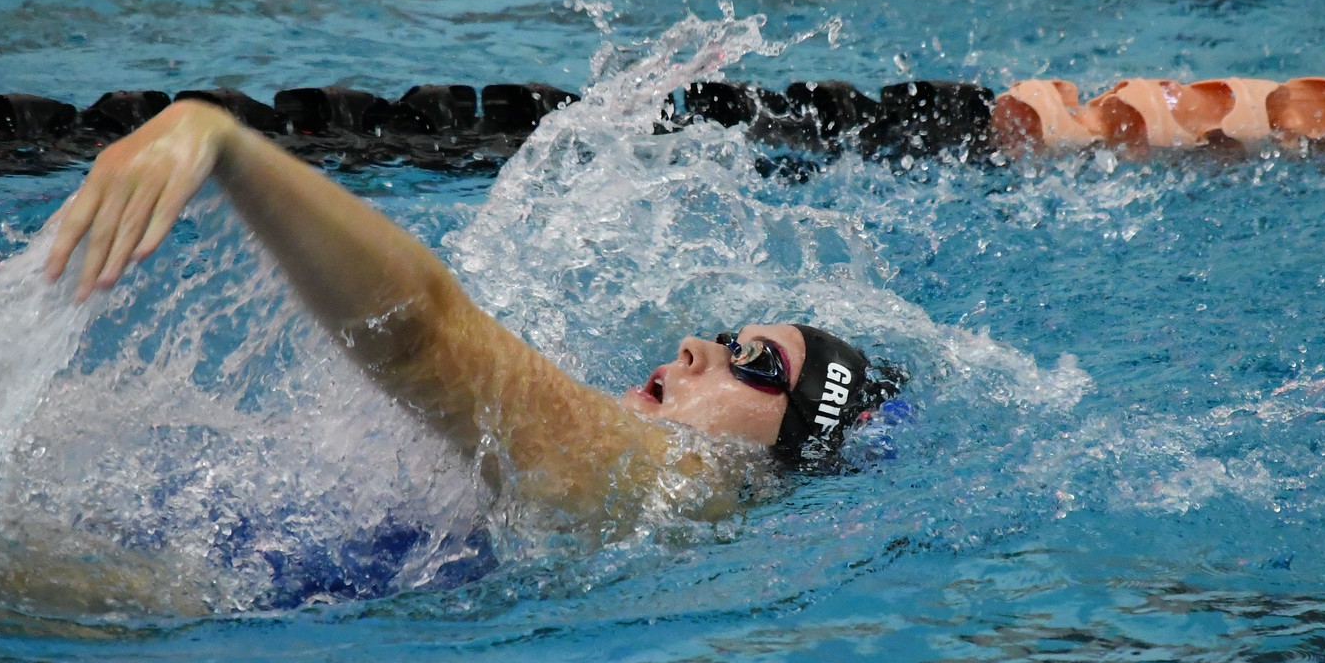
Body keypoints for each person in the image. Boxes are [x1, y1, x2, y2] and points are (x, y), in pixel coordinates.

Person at [49, 95, 895, 532]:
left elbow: (418, 336)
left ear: (793, 456)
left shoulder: (666, 484)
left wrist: (223, 141)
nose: (696, 348)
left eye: (755, 365)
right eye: (724, 338)